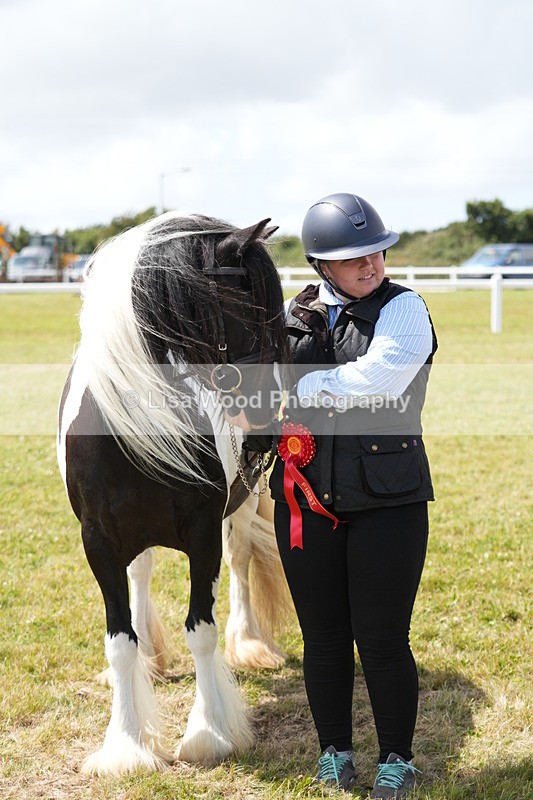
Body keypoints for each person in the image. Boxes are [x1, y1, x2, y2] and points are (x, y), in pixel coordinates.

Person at [268, 192, 437, 797]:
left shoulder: (405, 309)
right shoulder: (293, 315)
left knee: (384, 638)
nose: (371, 265)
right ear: (322, 266)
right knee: (324, 637)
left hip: (389, 499)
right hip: (305, 500)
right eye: (353, 258)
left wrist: (300, 388)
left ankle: (397, 757)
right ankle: (332, 751)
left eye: (376, 252)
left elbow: (380, 378)